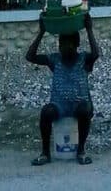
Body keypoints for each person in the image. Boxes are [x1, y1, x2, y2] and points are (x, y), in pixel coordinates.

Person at [25, 11, 100, 166]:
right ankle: (45, 153)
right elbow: (30, 57)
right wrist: (41, 32)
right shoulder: (54, 60)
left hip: (79, 104)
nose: (63, 48)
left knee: (85, 110)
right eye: (61, 45)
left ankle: (81, 151)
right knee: (46, 111)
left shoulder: (84, 59)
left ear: (77, 45)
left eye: (67, 45)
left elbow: (96, 53)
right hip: (59, 106)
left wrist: (89, 29)